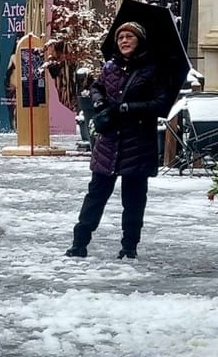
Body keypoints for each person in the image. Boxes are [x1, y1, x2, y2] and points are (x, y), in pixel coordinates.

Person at [65, 21, 169, 260]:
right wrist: (99, 101)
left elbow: (161, 104)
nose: (123, 41)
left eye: (129, 37)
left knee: (133, 200)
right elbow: (95, 87)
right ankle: (79, 243)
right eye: (120, 37)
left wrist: (129, 108)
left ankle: (129, 246)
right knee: (96, 195)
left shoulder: (152, 70)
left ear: (139, 41)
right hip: (109, 141)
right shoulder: (110, 67)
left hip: (138, 142)